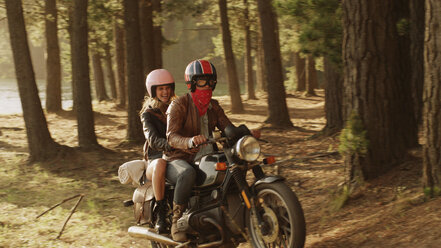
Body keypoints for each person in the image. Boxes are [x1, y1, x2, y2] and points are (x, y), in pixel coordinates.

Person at [163, 59, 259, 241]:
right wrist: (190, 141)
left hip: (207, 156)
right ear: (191, 82)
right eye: (201, 81)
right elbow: (171, 137)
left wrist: (247, 132)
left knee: (236, 167)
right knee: (187, 174)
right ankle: (176, 220)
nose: (207, 85)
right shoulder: (179, 105)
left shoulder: (214, 106)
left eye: (211, 81)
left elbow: (228, 129)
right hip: (179, 159)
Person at [139, 68, 176, 234]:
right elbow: (152, 139)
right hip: (156, 159)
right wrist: (172, 144)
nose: (165, 92)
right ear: (153, 90)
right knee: (161, 163)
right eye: (161, 89)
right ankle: (161, 213)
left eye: (167, 88)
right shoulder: (148, 114)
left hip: (177, 156)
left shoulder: (178, 107)